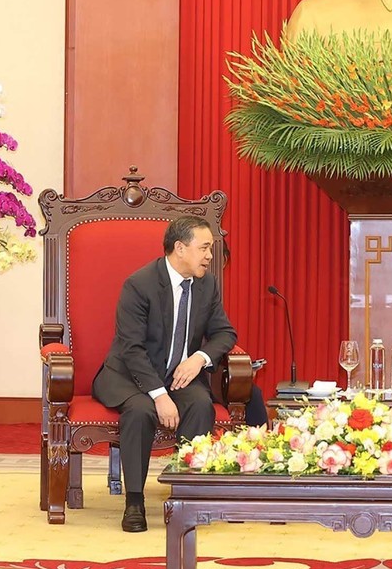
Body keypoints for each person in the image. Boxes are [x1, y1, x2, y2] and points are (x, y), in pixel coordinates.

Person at [93, 216, 265, 533]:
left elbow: (224, 333)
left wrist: (199, 358)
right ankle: (134, 502)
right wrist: (159, 395)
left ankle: (185, 495)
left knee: (200, 405)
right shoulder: (139, 284)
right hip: (130, 374)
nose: (210, 256)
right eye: (204, 248)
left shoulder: (206, 284)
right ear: (180, 248)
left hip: (180, 375)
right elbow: (131, 348)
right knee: (140, 411)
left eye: (210, 249)